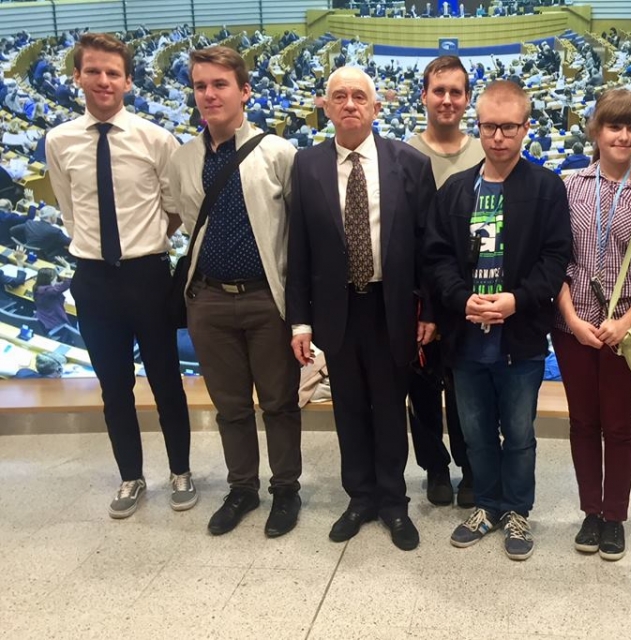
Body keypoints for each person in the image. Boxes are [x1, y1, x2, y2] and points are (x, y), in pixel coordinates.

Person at [45, 33, 196, 519]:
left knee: (166, 381)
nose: (103, 80)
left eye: (113, 73)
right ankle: (131, 476)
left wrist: (142, 241)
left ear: (128, 81)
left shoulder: (156, 139)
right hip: (93, 279)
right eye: (93, 71)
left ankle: (181, 471)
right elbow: (69, 208)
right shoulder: (59, 140)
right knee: (114, 387)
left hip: (147, 275)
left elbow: (174, 208)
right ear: (77, 77)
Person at [286, 67, 437, 551]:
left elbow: (428, 247)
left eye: (359, 96)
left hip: (391, 307)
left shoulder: (410, 163)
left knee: (391, 408)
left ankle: (393, 501)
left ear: (376, 107)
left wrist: (430, 311)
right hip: (337, 310)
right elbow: (299, 248)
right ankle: (360, 498)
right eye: (339, 96)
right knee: (348, 408)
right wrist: (300, 320)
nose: (349, 104)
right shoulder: (306, 165)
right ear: (326, 107)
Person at [423, 80, 572, 561]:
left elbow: (555, 259)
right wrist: (461, 299)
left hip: (520, 339)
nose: (499, 137)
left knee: (520, 434)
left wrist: (516, 300)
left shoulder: (546, 188)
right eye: (489, 127)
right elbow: (438, 258)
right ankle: (486, 505)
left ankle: (517, 510)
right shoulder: (455, 190)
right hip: (467, 339)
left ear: (526, 128)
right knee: (476, 433)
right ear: (479, 126)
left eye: (509, 127)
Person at [167, 46, 302, 538]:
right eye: (200, 86)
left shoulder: (278, 153)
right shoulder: (184, 158)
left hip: (266, 297)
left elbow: (298, 233)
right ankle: (242, 488)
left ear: (244, 91)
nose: (209, 94)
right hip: (209, 299)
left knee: (279, 402)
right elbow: (184, 222)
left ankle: (285, 490)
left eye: (220, 84)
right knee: (230, 406)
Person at [552, 88, 631, 560]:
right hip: (573, 326)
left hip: (625, 330)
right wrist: (571, 318)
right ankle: (590, 512)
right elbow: (555, 257)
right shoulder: (569, 185)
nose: (623, 136)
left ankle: (614, 516)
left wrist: (626, 321)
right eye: (614, 126)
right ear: (596, 131)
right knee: (582, 423)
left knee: (618, 426)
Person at [406, 55, 483, 507]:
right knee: (420, 389)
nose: (447, 100)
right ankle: (434, 468)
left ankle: (470, 467)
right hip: (419, 294)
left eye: (456, 92)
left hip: (470, 294)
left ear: (468, 98)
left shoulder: (484, 153)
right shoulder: (403, 155)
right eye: (439, 91)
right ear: (424, 96)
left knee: (466, 390)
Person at [32, 267, 71, 335]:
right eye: (55, 278)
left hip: (42, 320)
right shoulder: (50, 291)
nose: (56, 279)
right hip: (54, 324)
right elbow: (67, 283)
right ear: (51, 279)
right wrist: (68, 268)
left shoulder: (37, 287)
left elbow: (57, 285)